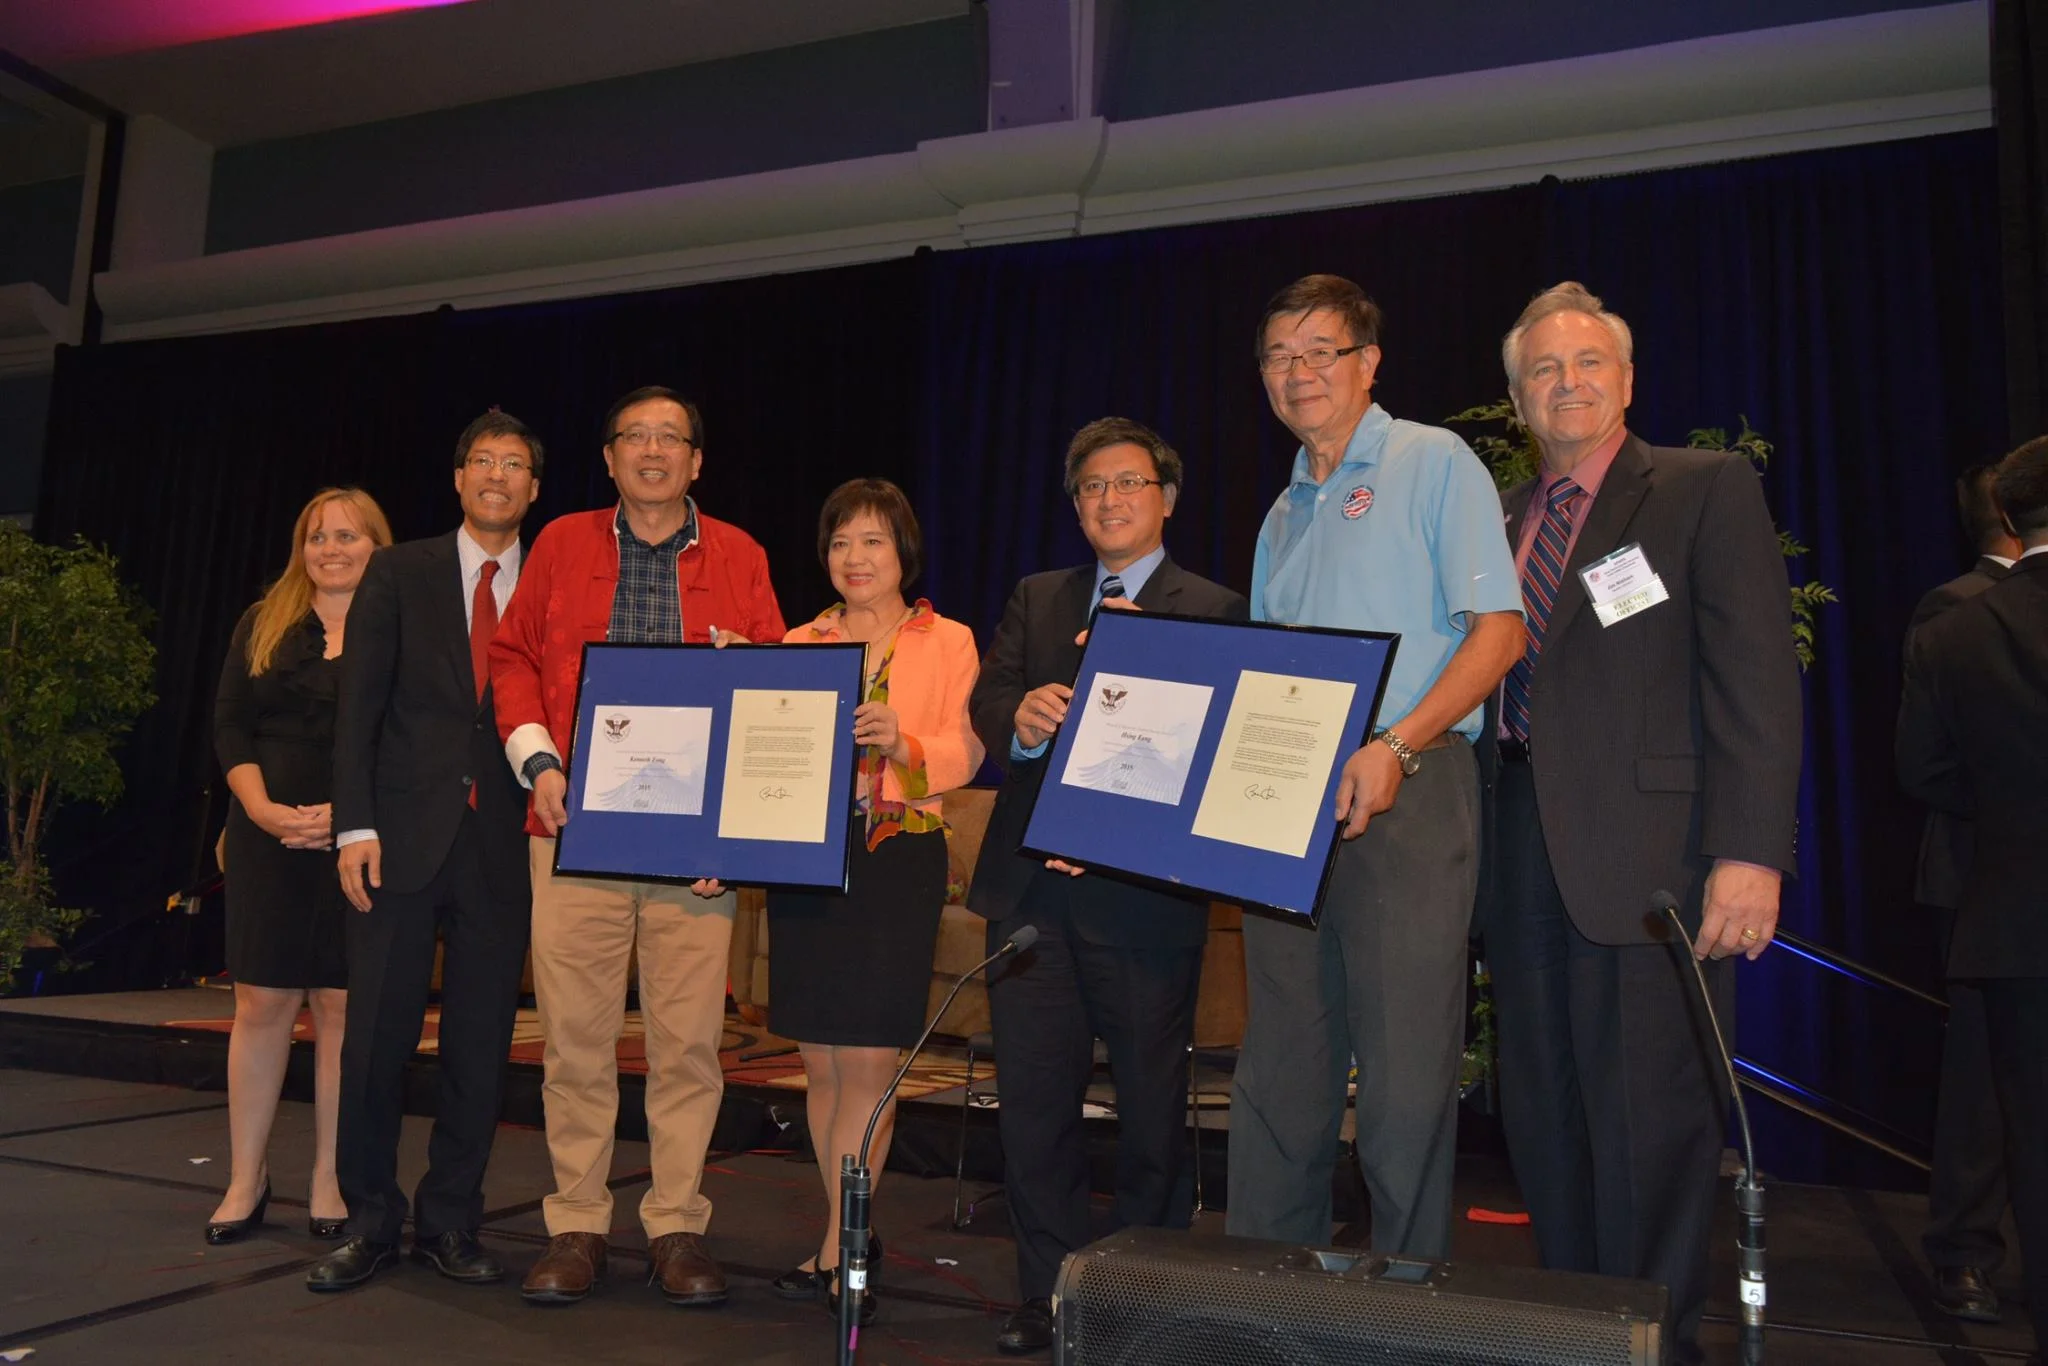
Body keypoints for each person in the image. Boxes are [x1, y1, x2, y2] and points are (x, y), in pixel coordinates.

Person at [1479, 282, 1802, 1358]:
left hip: (1653, 858)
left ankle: (1654, 1345)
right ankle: (1577, 1335)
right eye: (1542, 369)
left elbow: (1755, 679)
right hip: (1515, 846)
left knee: (1649, 1127)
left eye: (1587, 364)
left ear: (1626, 380)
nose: (1565, 383)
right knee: (1544, 1113)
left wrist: (1748, 852)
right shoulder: (1499, 518)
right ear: (1517, 398)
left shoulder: (1702, 488)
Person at [1226, 277, 1523, 1263]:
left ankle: (1403, 1298)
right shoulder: (1281, 512)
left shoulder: (1430, 460)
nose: (1298, 373)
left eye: (1321, 351)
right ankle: (1265, 1288)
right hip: (1287, 805)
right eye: (1279, 356)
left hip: (1410, 788)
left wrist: (1395, 744)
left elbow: (1498, 631)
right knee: (1281, 1062)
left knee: (1401, 1072)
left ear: (1368, 364)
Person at [488, 385, 784, 1307]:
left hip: (696, 848)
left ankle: (676, 1226)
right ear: (610, 458)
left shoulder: (741, 554)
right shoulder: (561, 543)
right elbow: (512, 658)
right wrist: (538, 763)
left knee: (688, 1046)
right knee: (574, 1041)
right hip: (575, 827)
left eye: (671, 438)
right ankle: (577, 1223)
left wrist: (736, 826)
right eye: (635, 437)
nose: (653, 452)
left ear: (696, 461)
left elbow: (780, 693)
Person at [968, 418, 1246, 1355]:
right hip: (1032, 903)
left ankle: (1142, 1295)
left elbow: (1217, 753)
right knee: (1034, 1111)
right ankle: (1046, 1294)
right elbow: (989, 699)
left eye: (1128, 483)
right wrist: (1022, 721)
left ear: (1167, 499)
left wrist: (1120, 839)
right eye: (1092, 487)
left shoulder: (1213, 609)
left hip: (1143, 903)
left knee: (1151, 1115)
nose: (1109, 500)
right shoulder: (1038, 596)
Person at [309, 412, 543, 1291]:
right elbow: (359, 709)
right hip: (396, 844)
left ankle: (451, 1222)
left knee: (479, 1049)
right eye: (482, 460)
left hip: (505, 847)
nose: (496, 475)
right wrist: (354, 826)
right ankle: (369, 1221)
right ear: (457, 478)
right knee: (375, 1041)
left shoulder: (551, 583)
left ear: (533, 488)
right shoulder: (398, 570)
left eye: (513, 464)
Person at [766, 478, 984, 1323]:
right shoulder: (800, 640)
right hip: (808, 859)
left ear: (904, 552)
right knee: (819, 1061)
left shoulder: (948, 640)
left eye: (872, 541)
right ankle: (844, 1234)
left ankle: (842, 1247)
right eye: (840, 542)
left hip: (896, 858)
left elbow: (969, 750)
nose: (854, 558)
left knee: (867, 1062)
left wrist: (906, 742)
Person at [207, 487, 393, 1244]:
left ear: (377, 545)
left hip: (359, 842)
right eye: (318, 537)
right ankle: (245, 1178)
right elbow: (230, 724)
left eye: (348, 535)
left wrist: (349, 816)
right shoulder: (263, 621)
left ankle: (329, 1176)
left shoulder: (402, 626)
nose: (331, 549)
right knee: (261, 1005)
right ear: (301, 548)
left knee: (343, 1009)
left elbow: (412, 739)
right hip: (267, 840)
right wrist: (259, 810)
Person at [1897, 435, 2048, 1362]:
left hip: (2010, 897)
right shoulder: (1952, 610)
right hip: (1993, 890)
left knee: (2023, 1124)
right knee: (1994, 1106)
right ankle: (1967, 1251)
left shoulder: (1963, 626)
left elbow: (1925, 766)